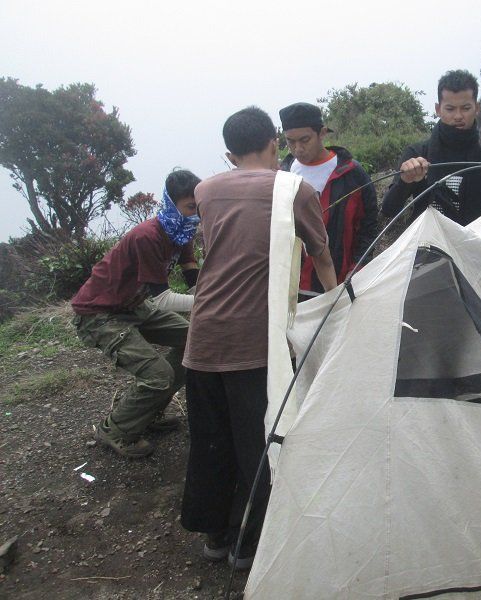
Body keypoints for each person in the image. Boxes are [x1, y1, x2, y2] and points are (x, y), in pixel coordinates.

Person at [180, 106, 336, 570]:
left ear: (229, 154)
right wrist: (340, 307)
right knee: (257, 445)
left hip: (203, 337)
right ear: (274, 143)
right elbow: (322, 256)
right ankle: (249, 546)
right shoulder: (294, 189)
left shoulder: (205, 190)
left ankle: (214, 536)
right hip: (254, 342)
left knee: (211, 439)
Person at [71, 169, 201, 459]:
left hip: (134, 304)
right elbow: (165, 298)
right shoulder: (149, 236)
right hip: (100, 313)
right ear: (172, 203)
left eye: (199, 207)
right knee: (159, 376)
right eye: (190, 207)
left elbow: (190, 266)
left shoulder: (181, 230)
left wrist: (201, 291)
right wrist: (206, 301)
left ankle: (148, 414)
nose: (196, 214)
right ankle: (115, 430)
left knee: (194, 340)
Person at [382, 69, 481, 226]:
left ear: (477, 108)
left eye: (466, 108)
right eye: (450, 109)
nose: (458, 116)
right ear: (438, 109)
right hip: (425, 245)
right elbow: (388, 210)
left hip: (471, 246)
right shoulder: (418, 154)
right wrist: (405, 181)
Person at [279, 102, 378, 293]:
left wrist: (357, 268)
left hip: (340, 283)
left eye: (305, 140)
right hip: (292, 288)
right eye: (290, 141)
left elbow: (369, 227)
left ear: (322, 133)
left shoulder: (351, 173)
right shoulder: (282, 175)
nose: (297, 148)